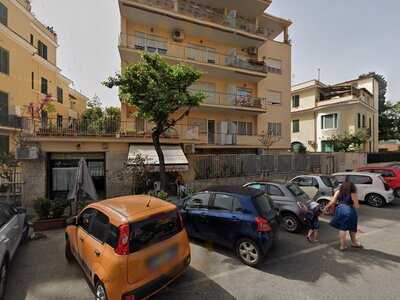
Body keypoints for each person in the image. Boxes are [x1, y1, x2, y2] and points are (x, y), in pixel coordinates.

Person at [325, 181, 362, 251]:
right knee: (352, 227)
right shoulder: (353, 193)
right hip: (350, 210)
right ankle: (354, 243)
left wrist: (326, 207)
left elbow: (333, 201)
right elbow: (357, 206)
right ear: (352, 187)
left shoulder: (338, 192)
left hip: (340, 209)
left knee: (342, 228)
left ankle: (343, 245)